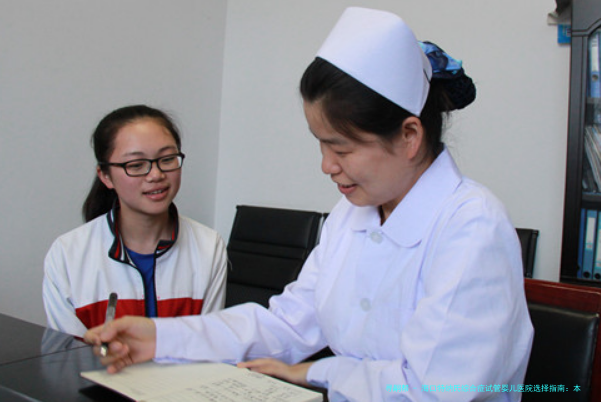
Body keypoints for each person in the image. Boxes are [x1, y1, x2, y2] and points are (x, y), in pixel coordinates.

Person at [85, 8, 533, 402]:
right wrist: (160, 337)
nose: (326, 166)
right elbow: (288, 325)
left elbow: (435, 391)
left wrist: (316, 372)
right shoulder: (351, 214)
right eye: (320, 144)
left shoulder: (471, 226)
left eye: (341, 148)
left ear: (409, 136)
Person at [43, 105, 228, 337]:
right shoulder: (67, 255)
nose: (156, 175)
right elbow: (67, 353)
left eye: (167, 159)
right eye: (136, 165)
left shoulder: (208, 246)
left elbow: (208, 343)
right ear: (105, 176)